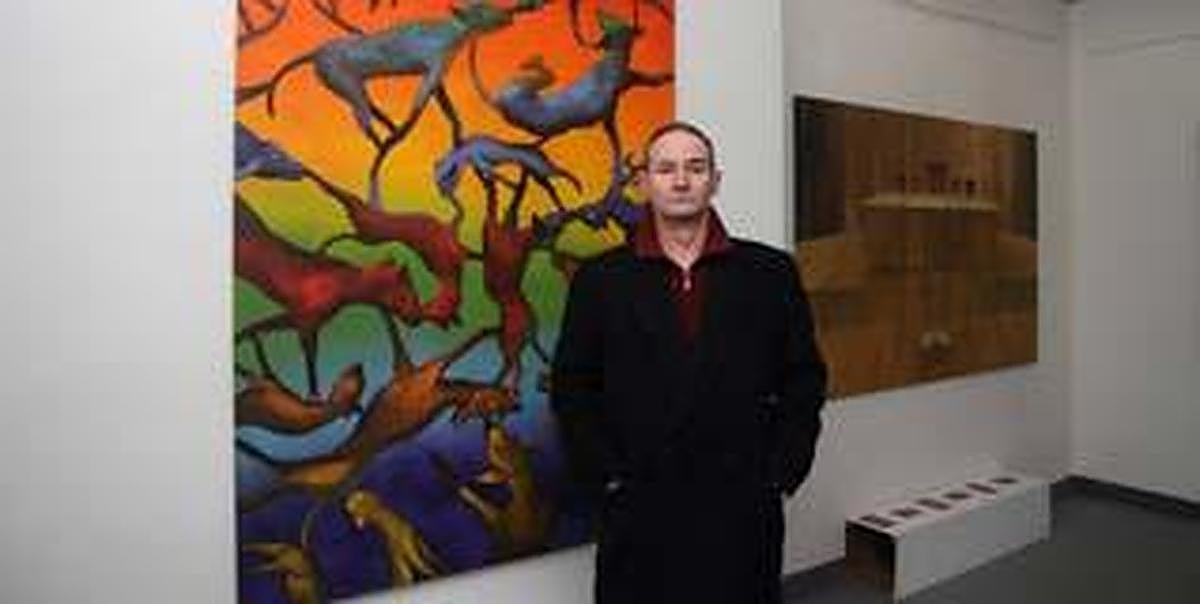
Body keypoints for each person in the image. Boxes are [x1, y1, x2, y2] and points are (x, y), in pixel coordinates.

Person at [551, 120, 828, 604]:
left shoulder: (770, 273)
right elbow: (572, 387)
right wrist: (606, 476)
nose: (681, 181)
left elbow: (803, 378)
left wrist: (782, 471)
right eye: (666, 169)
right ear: (644, 182)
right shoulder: (600, 280)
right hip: (639, 507)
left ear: (714, 181)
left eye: (695, 168)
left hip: (740, 505)